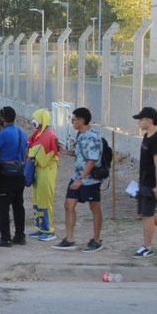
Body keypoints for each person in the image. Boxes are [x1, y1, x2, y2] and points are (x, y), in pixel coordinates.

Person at [53, 107, 104, 253]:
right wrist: (67, 152)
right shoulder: (80, 135)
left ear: (81, 121)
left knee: (95, 208)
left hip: (89, 180)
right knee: (69, 205)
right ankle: (69, 239)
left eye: (74, 119)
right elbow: (81, 154)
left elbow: (92, 160)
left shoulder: (93, 136)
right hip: (77, 176)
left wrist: (81, 179)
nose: (72, 122)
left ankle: (96, 240)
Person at [132, 107, 157, 257]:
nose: (138, 122)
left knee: (148, 214)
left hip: (154, 183)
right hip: (145, 181)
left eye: (140, 119)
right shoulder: (146, 137)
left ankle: (147, 247)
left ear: (149, 120)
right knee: (143, 213)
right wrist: (141, 179)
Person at [0, 106, 28, 247]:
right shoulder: (22, 133)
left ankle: (5, 238)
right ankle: (20, 236)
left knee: (3, 208)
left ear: (2, 119)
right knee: (19, 206)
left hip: (6, 175)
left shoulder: (3, 134)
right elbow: (26, 153)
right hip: (20, 173)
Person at [27, 108, 59, 241]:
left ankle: (49, 230)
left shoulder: (49, 135)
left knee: (45, 199)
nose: (33, 121)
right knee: (37, 198)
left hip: (47, 169)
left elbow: (34, 151)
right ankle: (40, 228)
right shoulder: (39, 133)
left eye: (35, 118)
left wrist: (29, 149)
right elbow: (29, 143)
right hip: (39, 169)